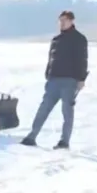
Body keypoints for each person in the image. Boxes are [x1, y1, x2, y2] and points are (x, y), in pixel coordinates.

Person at [21, 11, 88, 150]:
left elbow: (82, 60)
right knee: (43, 109)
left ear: (72, 21)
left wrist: (81, 79)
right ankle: (31, 136)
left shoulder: (79, 39)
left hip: (70, 81)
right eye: (60, 20)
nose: (62, 23)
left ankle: (64, 141)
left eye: (65, 20)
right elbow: (51, 59)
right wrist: (48, 74)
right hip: (53, 80)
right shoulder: (56, 39)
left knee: (67, 112)